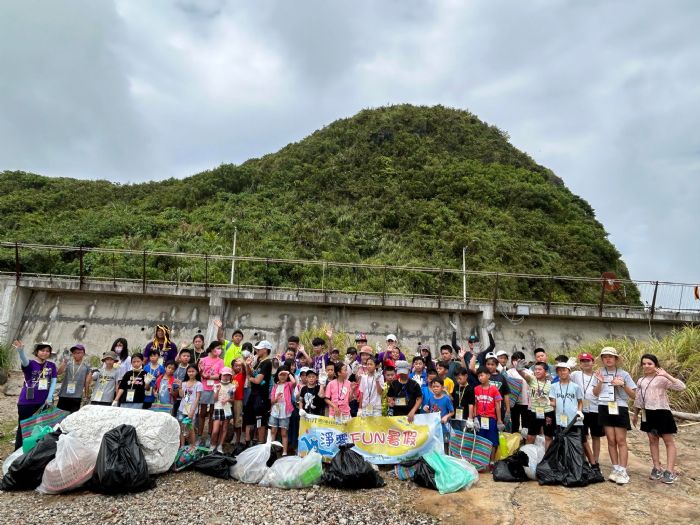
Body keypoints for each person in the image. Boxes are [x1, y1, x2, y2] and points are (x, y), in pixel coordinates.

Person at [632, 354, 686, 484]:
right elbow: (638, 398)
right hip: (647, 413)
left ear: (655, 365)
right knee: (652, 440)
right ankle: (657, 467)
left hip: (662, 412)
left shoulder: (661, 378)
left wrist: (666, 375)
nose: (646, 366)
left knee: (668, 441)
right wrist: (635, 414)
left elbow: (681, 387)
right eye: (644, 363)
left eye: (649, 363)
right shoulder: (641, 380)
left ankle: (669, 471)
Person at [592, 346, 637, 485]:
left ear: (616, 359)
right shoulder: (599, 373)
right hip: (604, 406)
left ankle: (623, 470)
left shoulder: (624, 374)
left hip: (620, 407)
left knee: (621, 440)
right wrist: (600, 381)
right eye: (605, 357)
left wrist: (622, 385)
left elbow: (634, 395)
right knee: (611, 440)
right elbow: (595, 393)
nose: (608, 359)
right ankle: (615, 468)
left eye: (611, 356)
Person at [12, 340, 58, 451]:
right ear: (37, 352)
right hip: (26, 402)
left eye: (47, 351)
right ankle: (19, 452)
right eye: (42, 350)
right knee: (24, 427)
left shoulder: (51, 365)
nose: (45, 353)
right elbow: (24, 361)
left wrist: (50, 397)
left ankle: (34, 451)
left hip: (43, 403)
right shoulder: (30, 363)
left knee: (40, 428)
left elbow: (53, 382)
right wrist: (21, 351)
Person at [571, 352, 604, 470]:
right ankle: (584, 460)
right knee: (583, 436)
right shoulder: (575, 374)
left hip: (595, 409)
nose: (585, 363)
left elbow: (597, 393)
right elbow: (562, 377)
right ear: (580, 363)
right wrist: (568, 366)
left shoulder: (597, 375)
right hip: (580, 410)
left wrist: (600, 382)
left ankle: (595, 460)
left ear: (592, 362)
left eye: (588, 361)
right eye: (583, 361)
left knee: (596, 436)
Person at [471, 366, 505, 465]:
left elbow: (498, 406)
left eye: (482, 375)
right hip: (480, 418)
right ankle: (482, 460)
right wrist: (475, 417)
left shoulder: (494, 389)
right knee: (480, 439)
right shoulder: (476, 389)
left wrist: (499, 420)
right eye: (478, 376)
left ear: (488, 375)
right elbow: (474, 404)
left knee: (493, 440)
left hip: (491, 418)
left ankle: (492, 461)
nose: (480, 378)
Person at [244, 340, 274, 446]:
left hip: (261, 396)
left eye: (259, 348)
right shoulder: (259, 361)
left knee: (260, 420)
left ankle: (261, 444)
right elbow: (251, 374)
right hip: (253, 393)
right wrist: (247, 366)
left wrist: (250, 378)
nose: (256, 350)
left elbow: (258, 380)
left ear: (265, 350)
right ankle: (247, 442)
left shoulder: (267, 362)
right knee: (248, 416)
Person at [198, 341, 224, 446]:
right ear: (212, 348)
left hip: (215, 389)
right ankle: (199, 437)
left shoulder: (221, 361)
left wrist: (208, 377)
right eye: (217, 348)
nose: (219, 350)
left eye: (220, 348)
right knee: (202, 413)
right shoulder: (203, 360)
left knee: (213, 413)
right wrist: (201, 371)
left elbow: (221, 375)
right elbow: (200, 373)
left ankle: (209, 436)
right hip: (204, 388)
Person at [526, 362, 555, 449]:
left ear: (545, 372)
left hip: (548, 413)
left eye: (539, 369)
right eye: (535, 369)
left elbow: (554, 401)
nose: (537, 371)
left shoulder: (551, 384)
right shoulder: (532, 380)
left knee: (548, 437)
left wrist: (547, 402)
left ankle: (547, 459)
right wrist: (519, 370)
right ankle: (527, 457)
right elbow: (525, 376)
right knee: (530, 436)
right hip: (535, 412)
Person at [548, 362, 584, 431]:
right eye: (559, 370)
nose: (562, 372)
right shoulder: (553, 386)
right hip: (560, 419)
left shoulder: (575, 387)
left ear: (569, 371)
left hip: (574, 419)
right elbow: (554, 403)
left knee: (577, 440)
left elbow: (580, 402)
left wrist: (579, 411)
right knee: (561, 440)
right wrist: (547, 402)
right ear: (557, 373)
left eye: (564, 370)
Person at [56, 343, 91, 413]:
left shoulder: (87, 366)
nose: (77, 354)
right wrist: (64, 362)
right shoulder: (68, 363)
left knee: (72, 416)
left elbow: (87, 382)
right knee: (60, 415)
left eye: (79, 352)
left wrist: (86, 396)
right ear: (72, 354)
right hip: (64, 394)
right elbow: (59, 373)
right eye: (75, 353)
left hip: (77, 396)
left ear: (83, 353)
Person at [269, 366, 296, 455]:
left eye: (285, 375)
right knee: (273, 431)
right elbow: (272, 401)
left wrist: (288, 373)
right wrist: (276, 399)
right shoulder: (275, 386)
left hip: (285, 412)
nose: (283, 377)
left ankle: (284, 451)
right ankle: (271, 450)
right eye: (281, 374)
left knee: (284, 433)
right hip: (275, 412)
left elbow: (294, 382)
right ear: (278, 375)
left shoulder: (288, 385)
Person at [422, 378, 454, 451]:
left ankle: (445, 459)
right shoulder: (430, 398)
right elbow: (430, 412)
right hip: (434, 427)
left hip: (444, 427)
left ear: (442, 387)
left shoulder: (446, 399)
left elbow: (452, 412)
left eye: (437, 386)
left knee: (445, 444)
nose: (435, 388)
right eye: (433, 387)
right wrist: (426, 409)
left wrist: (446, 416)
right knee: (434, 445)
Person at [211, 367, 237, 453]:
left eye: (228, 375)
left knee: (225, 428)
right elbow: (214, 399)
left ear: (230, 377)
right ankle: (213, 445)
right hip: (218, 408)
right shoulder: (216, 385)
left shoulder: (232, 386)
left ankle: (220, 446)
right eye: (224, 375)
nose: (226, 377)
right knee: (215, 430)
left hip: (227, 409)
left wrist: (227, 400)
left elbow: (233, 400)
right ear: (220, 375)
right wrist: (217, 391)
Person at [176, 364, 202, 446]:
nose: (191, 373)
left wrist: (192, 411)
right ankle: (182, 446)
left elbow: (197, 398)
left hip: (191, 409)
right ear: (187, 373)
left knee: (190, 428)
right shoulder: (184, 383)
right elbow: (182, 396)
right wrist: (180, 387)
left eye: (193, 371)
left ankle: (193, 446)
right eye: (189, 371)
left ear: (196, 372)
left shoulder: (198, 384)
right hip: (182, 408)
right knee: (182, 428)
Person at [483, 353, 511, 428]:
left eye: (492, 364)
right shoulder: (483, 376)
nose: (490, 366)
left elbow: (506, 394)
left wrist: (508, 410)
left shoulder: (501, 377)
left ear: (497, 365)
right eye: (488, 364)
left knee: (498, 430)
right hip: (485, 409)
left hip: (499, 409)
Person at [506, 351, 530, 434]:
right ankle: (514, 440)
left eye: (518, 360)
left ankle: (525, 441)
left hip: (526, 401)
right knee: (515, 422)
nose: (516, 362)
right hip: (514, 402)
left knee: (526, 423)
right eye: (514, 359)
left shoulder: (528, 372)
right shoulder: (509, 372)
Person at [230, 358, 247, 451]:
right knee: (233, 419)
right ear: (232, 367)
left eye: (239, 366)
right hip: (230, 400)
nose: (238, 367)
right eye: (236, 366)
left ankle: (238, 439)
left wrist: (243, 363)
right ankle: (234, 436)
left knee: (238, 419)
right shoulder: (231, 377)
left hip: (238, 400)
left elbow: (244, 369)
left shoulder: (242, 375)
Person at [451, 367, 475, 431]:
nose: (458, 380)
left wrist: (470, 418)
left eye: (460, 378)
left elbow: (471, 404)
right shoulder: (456, 386)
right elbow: (452, 398)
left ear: (466, 376)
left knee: (464, 435)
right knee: (455, 435)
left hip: (465, 417)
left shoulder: (470, 388)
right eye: (456, 379)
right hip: (455, 416)